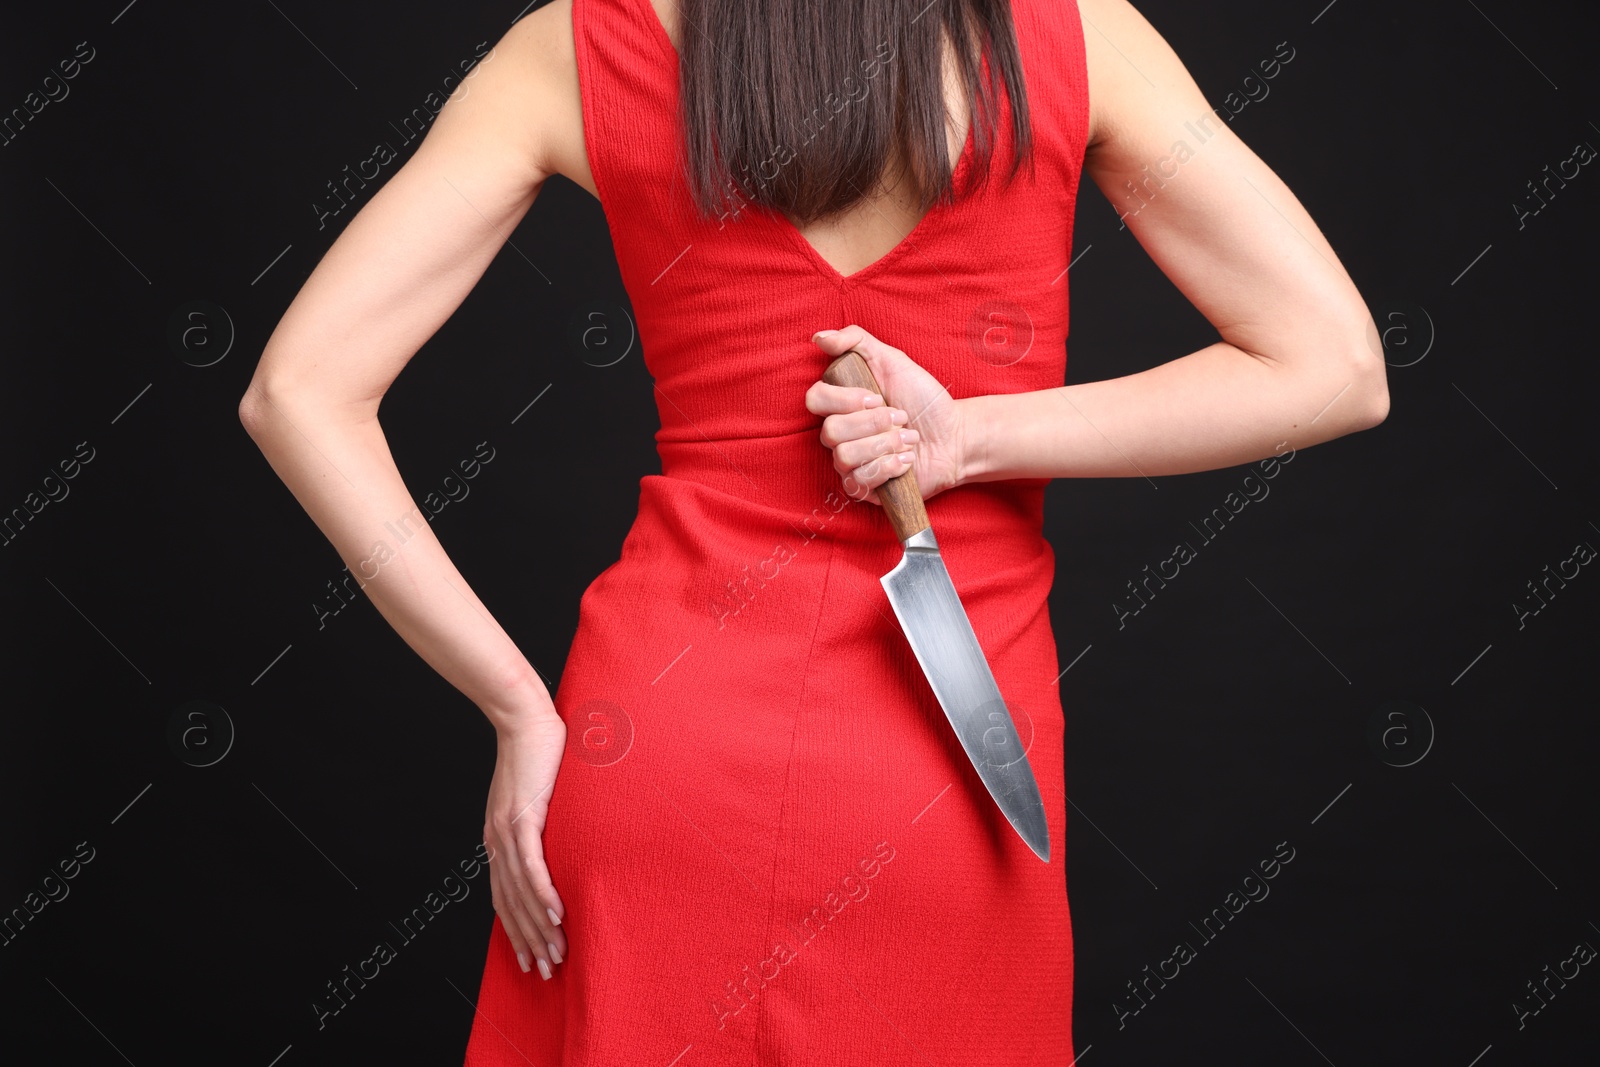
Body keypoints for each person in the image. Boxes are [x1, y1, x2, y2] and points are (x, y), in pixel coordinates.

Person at [239, 0, 1388, 1061]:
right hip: (951, 786)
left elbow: (296, 390)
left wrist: (515, 708)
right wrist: (970, 438)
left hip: (651, 752)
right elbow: (1335, 368)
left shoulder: (579, 45)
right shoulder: (1075, 34)